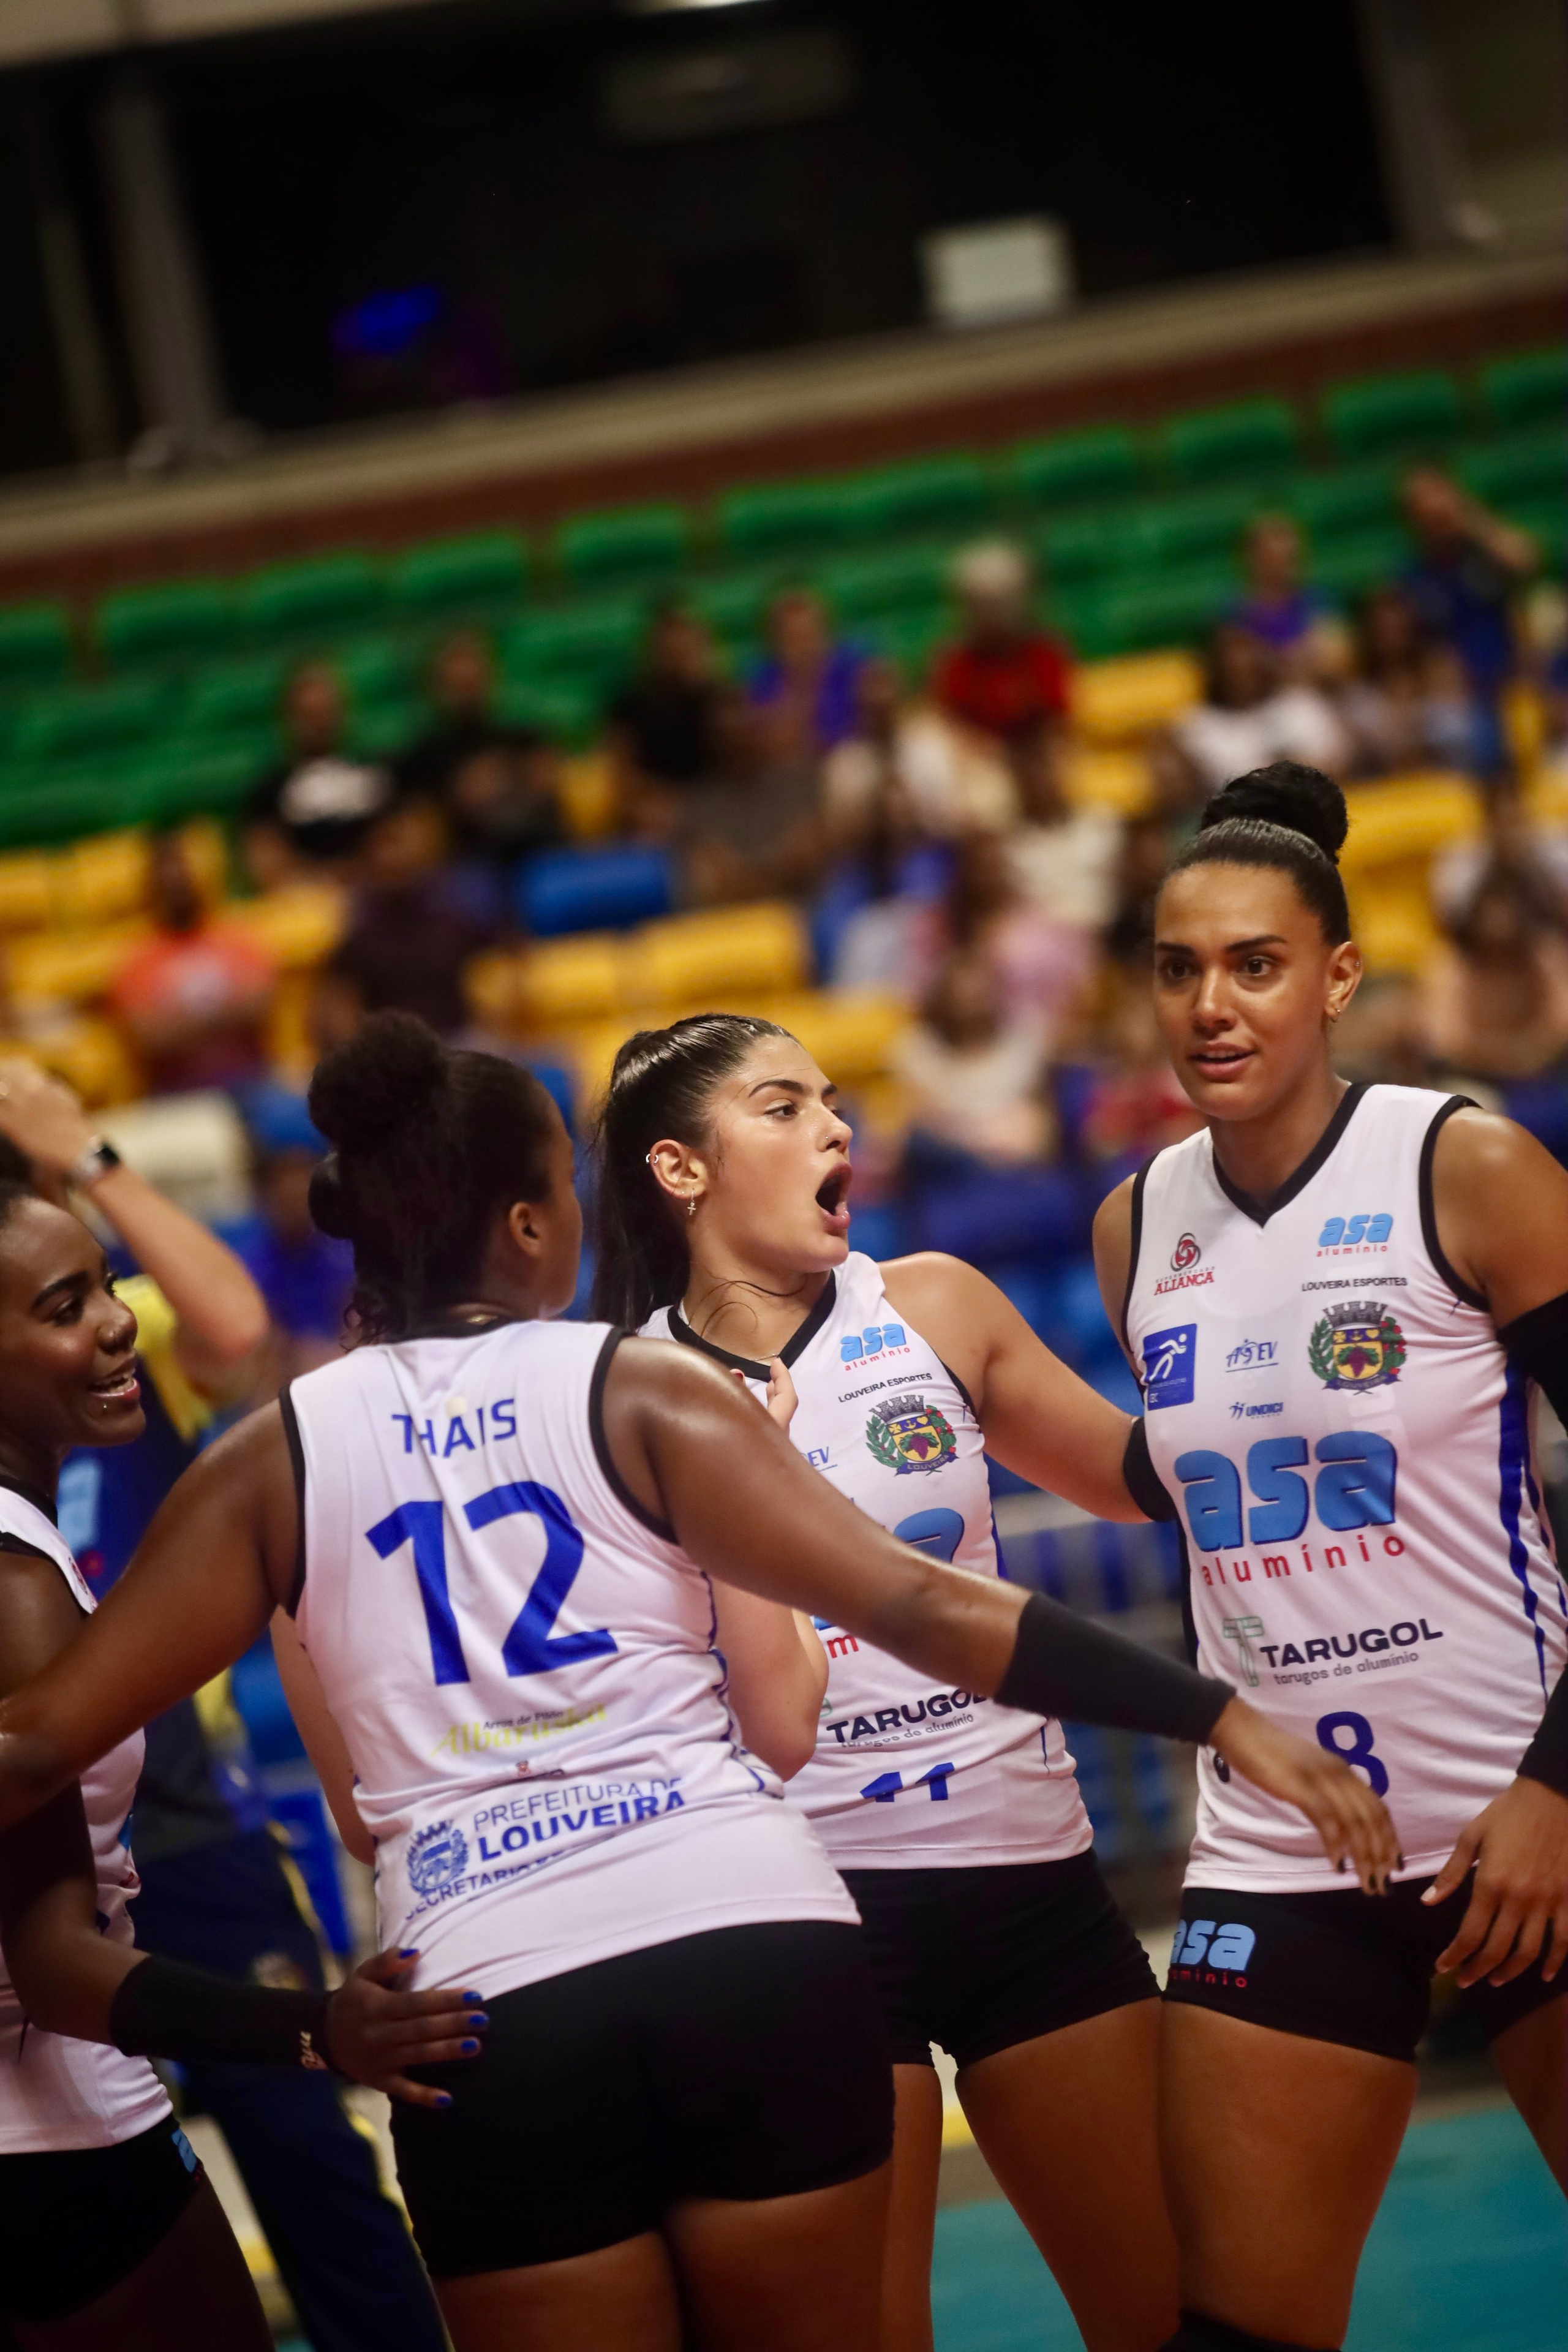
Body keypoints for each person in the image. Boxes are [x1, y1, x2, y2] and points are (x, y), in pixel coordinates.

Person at [0, 1014, 1395, 2352]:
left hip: (495, 1991)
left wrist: (312, 2019)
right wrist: (1213, 1711)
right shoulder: (642, 1384)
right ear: (534, 1223)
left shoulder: (276, 1452)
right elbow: (912, 1607)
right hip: (751, 1933)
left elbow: (50, 1733)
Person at [591, 1009, 1361, 2352]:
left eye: (832, 1099)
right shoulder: (624, 1391)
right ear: (680, 1170)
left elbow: (1144, 1479)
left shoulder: (930, 1302)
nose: (834, 1124)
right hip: (812, 1923)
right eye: (782, 1107)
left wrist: (1261, 1340)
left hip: (1032, 1894)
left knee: (1174, 2315)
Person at [1093, 760, 1568, 2352]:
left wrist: (1558, 1785)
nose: (1209, 1005)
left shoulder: (1466, 1168)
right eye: (1178, 967)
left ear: (1340, 975)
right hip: (1285, 1851)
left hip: (1527, 1825)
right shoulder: (1133, 1225)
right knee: (1232, 2332)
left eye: (1256, 963)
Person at [0, 1057, 454, 2352]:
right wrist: (320, 2029)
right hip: (60, 2116)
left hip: (168, 1864)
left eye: (102, 1284)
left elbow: (231, 1327)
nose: (115, 1322)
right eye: (65, 1301)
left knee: (314, 2180)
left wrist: (79, 1154)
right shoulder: (19, 1583)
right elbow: (52, 1957)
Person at [313, 796, 497, 1047]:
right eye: (382, 848)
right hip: (393, 1050)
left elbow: (504, 955)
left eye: (397, 845)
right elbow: (338, 999)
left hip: (459, 1041)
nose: (392, 857)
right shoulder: (359, 928)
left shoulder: (452, 912)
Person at [108, 833, 276, 1095]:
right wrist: (225, 1012)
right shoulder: (136, 963)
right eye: (169, 888)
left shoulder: (236, 940)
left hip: (250, 1079)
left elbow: (260, 1007)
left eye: (183, 884)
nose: (178, 894)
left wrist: (185, 1024)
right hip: (179, 1093)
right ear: (152, 893)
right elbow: (150, 1039)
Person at [1401, 468, 1537, 724]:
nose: (1433, 513)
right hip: (1460, 697)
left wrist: (1472, 522)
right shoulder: (1413, 575)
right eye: (1423, 509)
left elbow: (1525, 562)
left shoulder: (1484, 552)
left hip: (1516, 679)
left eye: (1439, 503)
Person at [243, 663, 394, 891]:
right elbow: (265, 859)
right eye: (307, 714)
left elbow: (403, 839)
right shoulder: (271, 787)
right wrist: (319, 880)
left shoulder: (374, 770)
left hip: (377, 890)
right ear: (288, 718)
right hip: (306, 904)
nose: (317, 723)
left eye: (324, 711)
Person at [1420, 868, 1568, 1084]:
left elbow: (1561, 1022)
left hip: (1544, 1074)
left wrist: (1531, 1053)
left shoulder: (1545, 956)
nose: (1499, 926)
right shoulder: (1453, 966)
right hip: (1474, 1077)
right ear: (1474, 918)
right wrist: (1500, 1056)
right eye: (1491, 916)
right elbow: (1447, 1039)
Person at [1173, 626, 1348, 799]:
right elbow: (1223, 788)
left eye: (1250, 666)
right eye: (1232, 668)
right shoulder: (1199, 726)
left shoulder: (1300, 703)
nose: (1243, 676)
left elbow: (1338, 762)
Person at [931, 541, 1071, 747]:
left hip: (1036, 756)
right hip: (978, 759)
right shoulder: (955, 662)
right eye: (983, 602)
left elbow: (1058, 722)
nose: (994, 612)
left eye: (1001, 600)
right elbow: (950, 726)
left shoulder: (1043, 653)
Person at [1336, 586, 1480, 780]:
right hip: (1383, 782)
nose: (1390, 636)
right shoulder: (1356, 684)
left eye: (1397, 628)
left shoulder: (1440, 669)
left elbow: (1461, 730)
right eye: (1382, 629)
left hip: (1447, 779)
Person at [606, 604, 721, 837]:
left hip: (715, 801)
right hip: (655, 807)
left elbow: (737, 766)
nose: (676, 656)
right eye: (669, 649)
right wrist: (663, 804)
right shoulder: (628, 707)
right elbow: (621, 773)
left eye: (684, 647)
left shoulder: (718, 701)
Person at [1006, 720, 1123, 934]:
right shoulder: (1010, 844)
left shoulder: (1104, 824)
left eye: (1056, 762)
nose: (1047, 775)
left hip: (1107, 940)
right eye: (1037, 765)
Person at [748, 589, 867, 763]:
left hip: (844, 761)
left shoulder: (852, 670)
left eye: (808, 634)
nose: (803, 646)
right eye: (792, 637)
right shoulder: (763, 683)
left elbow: (861, 732)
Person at [1227, 516, 1344, 685]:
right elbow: (1238, 671)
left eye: (1288, 557)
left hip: (1313, 690)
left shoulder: (1317, 601)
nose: (1280, 565)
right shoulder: (1235, 611)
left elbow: (1339, 660)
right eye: (1271, 557)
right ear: (1251, 559)